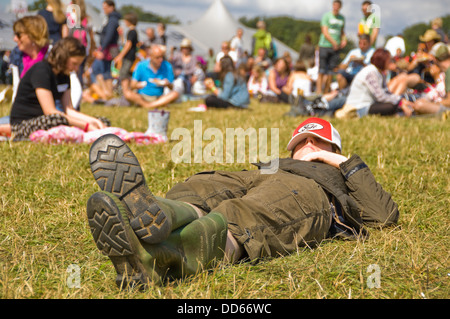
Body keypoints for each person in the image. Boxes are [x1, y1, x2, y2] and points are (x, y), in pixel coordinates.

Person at [86, 117, 399, 288]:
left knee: (245, 213)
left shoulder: (338, 175)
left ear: (333, 147)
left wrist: (340, 162)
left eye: (316, 141)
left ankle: (167, 256)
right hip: (263, 173)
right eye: (301, 142)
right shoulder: (279, 161)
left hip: (306, 189)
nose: (307, 145)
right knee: (200, 187)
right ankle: (156, 218)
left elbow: (383, 215)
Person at [9, 37, 107, 141]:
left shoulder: (64, 75)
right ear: (63, 58)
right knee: (56, 119)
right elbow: (50, 111)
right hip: (25, 123)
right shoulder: (41, 71)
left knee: (102, 121)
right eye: (74, 64)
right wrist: (86, 126)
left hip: (46, 119)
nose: (76, 69)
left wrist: (94, 121)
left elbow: (69, 110)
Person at [335, 48, 414, 119]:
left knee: (393, 104)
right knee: (391, 106)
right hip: (358, 108)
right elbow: (380, 97)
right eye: (389, 60)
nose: (390, 62)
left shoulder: (378, 72)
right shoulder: (371, 72)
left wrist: (400, 100)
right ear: (382, 61)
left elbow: (386, 92)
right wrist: (399, 102)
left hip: (368, 104)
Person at [125, 44, 178, 109]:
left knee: (175, 94)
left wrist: (167, 84)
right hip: (142, 96)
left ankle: (148, 105)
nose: (160, 60)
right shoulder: (141, 65)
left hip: (159, 96)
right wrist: (138, 85)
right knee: (127, 93)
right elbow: (132, 85)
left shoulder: (167, 66)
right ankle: (152, 105)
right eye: (157, 58)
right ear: (150, 57)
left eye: (162, 57)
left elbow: (172, 87)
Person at [91, 0, 121, 100]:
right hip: (108, 47)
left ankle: (106, 92)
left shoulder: (112, 20)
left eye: (105, 7)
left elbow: (109, 35)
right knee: (107, 70)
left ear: (111, 7)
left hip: (107, 48)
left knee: (98, 69)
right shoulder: (112, 19)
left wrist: (102, 48)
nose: (104, 10)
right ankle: (108, 92)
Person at [317, 0, 347, 95]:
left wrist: (344, 39)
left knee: (331, 71)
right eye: (335, 5)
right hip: (325, 45)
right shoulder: (326, 16)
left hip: (335, 48)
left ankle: (326, 92)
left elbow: (342, 31)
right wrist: (333, 42)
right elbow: (324, 31)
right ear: (333, 5)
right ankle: (318, 92)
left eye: (338, 5)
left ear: (340, 6)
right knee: (321, 70)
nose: (336, 7)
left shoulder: (342, 18)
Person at [111, 13, 138, 104]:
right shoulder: (132, 32)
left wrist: (120, 56)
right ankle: (126, 94)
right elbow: (125, 43)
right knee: (124, 74)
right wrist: (121, 35)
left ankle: (126, 94)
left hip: (128, 57)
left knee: (123, 74)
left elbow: (128, 45)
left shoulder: (132, 31)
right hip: (130, 57)